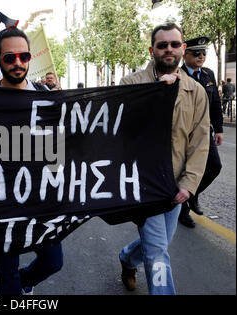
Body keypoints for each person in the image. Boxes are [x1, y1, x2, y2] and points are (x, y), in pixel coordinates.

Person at [118, 23, 209, 295]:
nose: (168, 49)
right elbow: (121, 132)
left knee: (161, 243)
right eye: (162, 45)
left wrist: (188, 185)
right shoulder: (130, 85)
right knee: (158, 252)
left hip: (175, 186)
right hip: (143, 184)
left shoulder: (196, 91)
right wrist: (158, 93)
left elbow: (200, 142)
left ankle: (127, 257)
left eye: (174, 44)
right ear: (152, 50)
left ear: (182, 48)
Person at [0, 27, 63, 295]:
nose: (18, 63)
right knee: (6, 279)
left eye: (24, 56)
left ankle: (25, 281)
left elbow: (68, 140)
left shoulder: (46, 96)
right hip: (0, 205)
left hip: (41, 201)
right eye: (9, 57)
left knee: (53, 263)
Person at [179, 36, 223, 228]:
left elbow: (215, 103)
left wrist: (219, 129)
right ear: (185, 54)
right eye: (196, 53)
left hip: (204, 132)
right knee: (183, 171)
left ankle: (191, 195)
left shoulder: (208, 74)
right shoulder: (177, 75)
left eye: (204, 53)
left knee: (214, 166)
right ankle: (182, 210)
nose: (201, 56)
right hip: (183, 134)